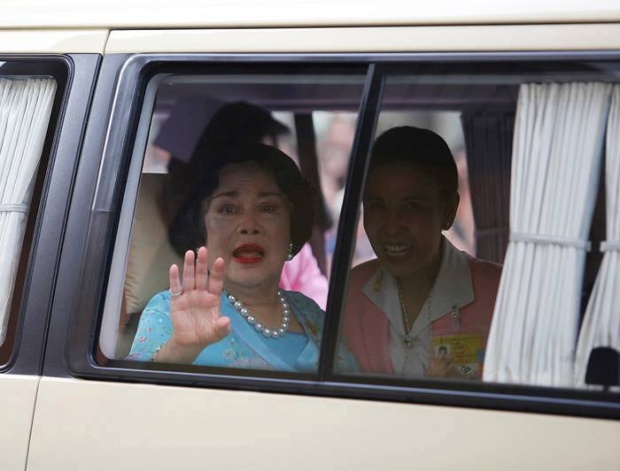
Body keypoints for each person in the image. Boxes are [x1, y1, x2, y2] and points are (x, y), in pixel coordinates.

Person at [128, 143, 356, 372]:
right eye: (228, 209)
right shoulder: (167, 311)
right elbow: (129, 400)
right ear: (201, 233)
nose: (249, 225)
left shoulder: (311, 314)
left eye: (267, 208)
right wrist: (180, 349)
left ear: (291, 227)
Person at [341, 126, 502, 380]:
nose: (392, 225)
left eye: (411, 206)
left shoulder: (499, 294)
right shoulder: (351, 291)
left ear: (448, 211)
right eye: (377, 206)